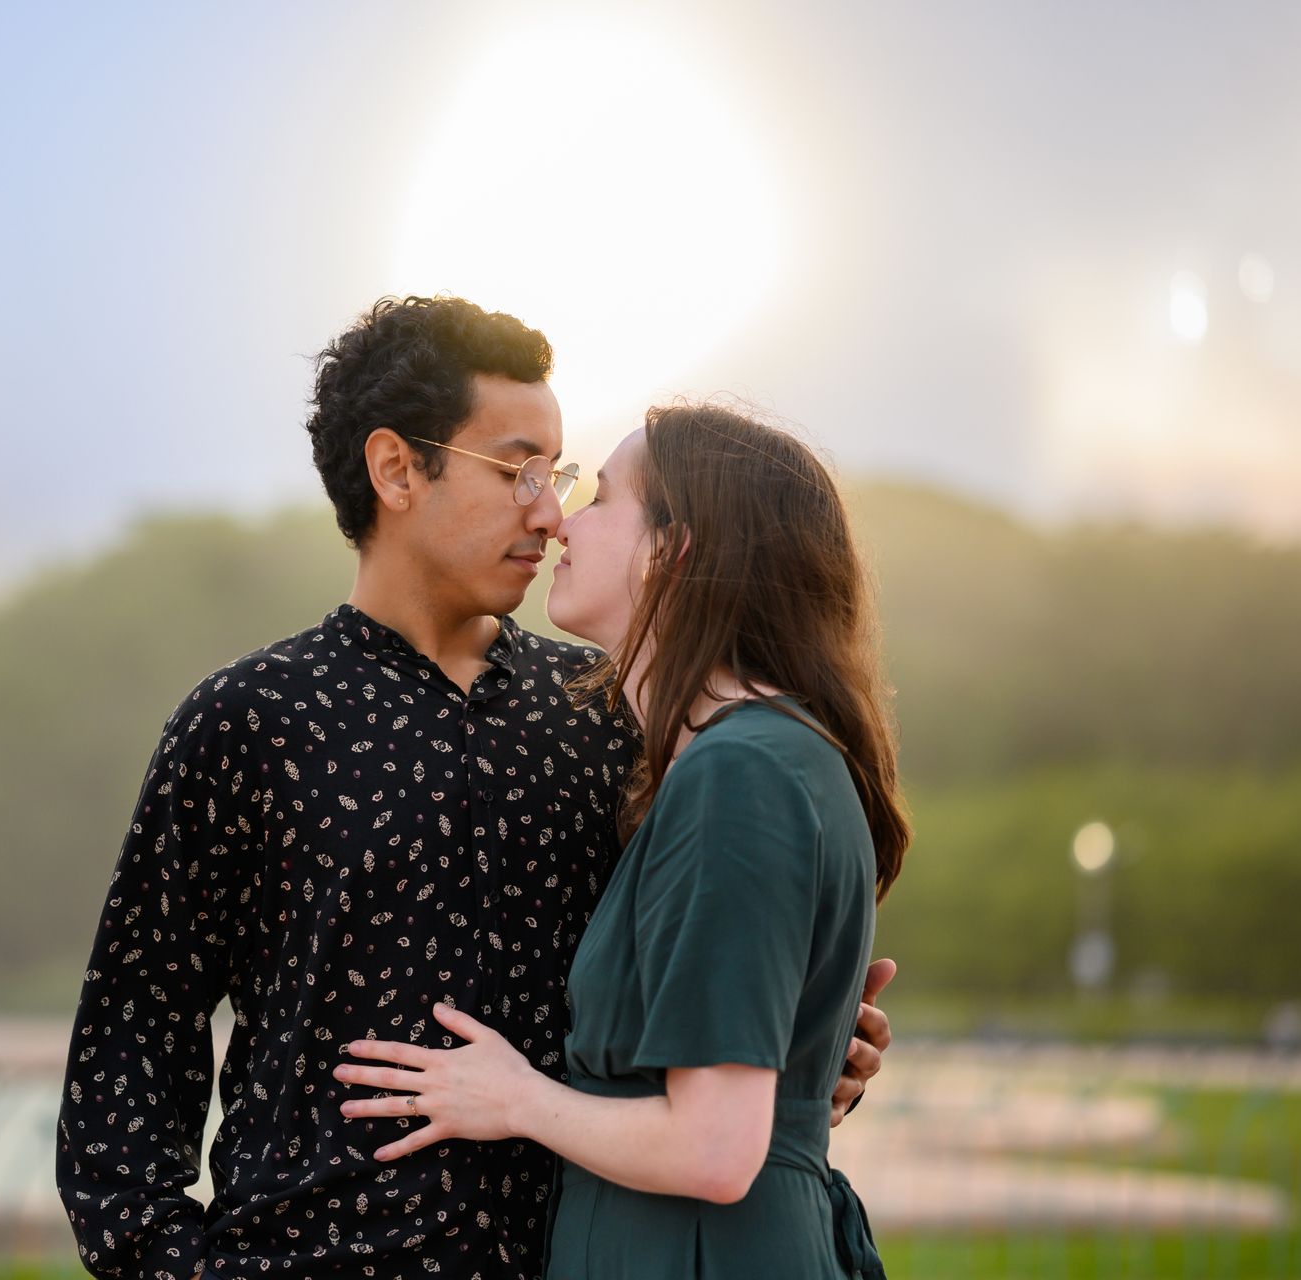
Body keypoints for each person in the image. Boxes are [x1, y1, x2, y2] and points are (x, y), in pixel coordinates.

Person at [57, 299, 895, 1280]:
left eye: (562, 476)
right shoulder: (250, 723)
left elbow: (692, 990)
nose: (548, 509)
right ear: (398, 469)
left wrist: (802, 1042)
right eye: (518, 470)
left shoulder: (611, 723)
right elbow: (135, 1032)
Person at [333, 403, 908, 1278]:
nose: (562, 517)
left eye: (601, 497)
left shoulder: (742, 772)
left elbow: (714, 1150)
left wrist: (515, 1098)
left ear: (672, 552)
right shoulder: (740, 761)